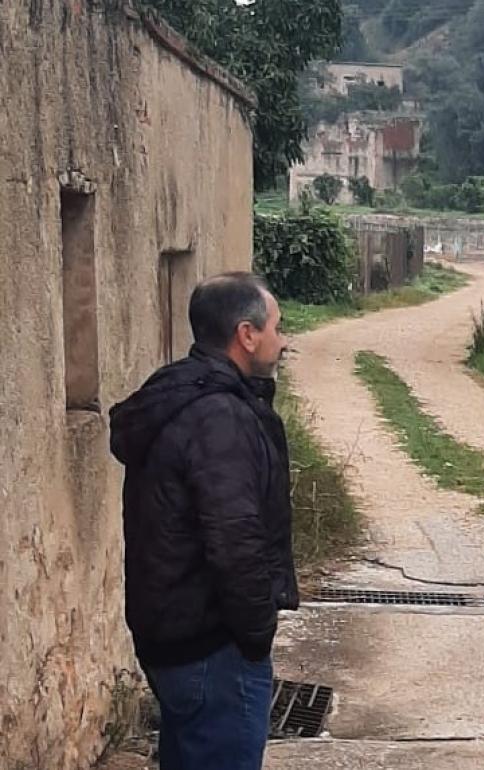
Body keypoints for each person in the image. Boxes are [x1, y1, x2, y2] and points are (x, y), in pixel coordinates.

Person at [109, 272, 294, 770]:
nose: (283, 340)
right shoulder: (219, 417)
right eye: (276, 328)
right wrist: (257, 634)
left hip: (173, 639)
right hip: (213, 649)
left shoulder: (178, 393)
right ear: (246, 334)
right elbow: (235, 539)